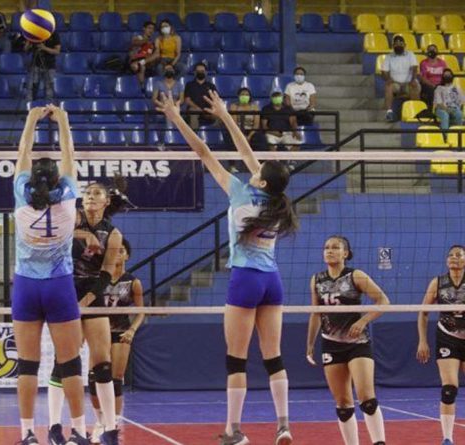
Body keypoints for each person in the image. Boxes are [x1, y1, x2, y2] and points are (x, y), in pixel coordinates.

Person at [158, 89, 299, 445]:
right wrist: (225, 115)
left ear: (261, 180)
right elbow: (250, 156)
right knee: (274, 357)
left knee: (236, 360)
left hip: (245, 280)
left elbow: (204, 153)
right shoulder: (281, 202)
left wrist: (177, 119)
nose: (255, 165)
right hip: (272, 281)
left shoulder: (240, 190)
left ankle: (234, 431)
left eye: (260, 169)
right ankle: (283, 425)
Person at [12, 105, 91, 445]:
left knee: (28, 365)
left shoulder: (20, 193)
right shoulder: (70, 195)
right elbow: (69, 152)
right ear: (58, 179)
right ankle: (78, 432)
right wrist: (63, 119)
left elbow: (22, 151)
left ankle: (28, 433)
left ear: (31, 179)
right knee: (70, 363)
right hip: (59, 286)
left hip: (26, 287)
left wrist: (30, 120)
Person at [47, 178, 130, 445]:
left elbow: (107, 273)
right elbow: (51, 233)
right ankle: (54, 427)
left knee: (102, 364)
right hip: (63, 288)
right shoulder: (71, 218)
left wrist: (88, 300)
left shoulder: (114, 234)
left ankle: (108, 428)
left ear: (106, 201)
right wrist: (85, 234)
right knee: (64, 362)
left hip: (92, 294)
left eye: (96, 193)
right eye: (87, 193)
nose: (90, 196)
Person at [306, 235, 390, 445]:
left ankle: (379, 442)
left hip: (357, 344)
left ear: (346, 253)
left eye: (335, 247)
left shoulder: (356, 276)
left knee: (367, 399)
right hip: (330, 343)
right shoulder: (317, 279)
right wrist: (309, 344)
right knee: (343, 404)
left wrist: (363, 321)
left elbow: (383, 301)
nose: (329, 251)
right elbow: (316, 313)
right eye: (326, 247)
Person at [88, 238, 144, 441]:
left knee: (116, 379)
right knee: (94, 377)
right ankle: (99, 421)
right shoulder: (99, 279)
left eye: (122, 251)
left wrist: (132, 330)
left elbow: (141, 312)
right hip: (97, 331)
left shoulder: (133, 282)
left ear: (127, 255)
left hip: (120, 331)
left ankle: (114, 423)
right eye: (115, 251)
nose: (118, 254)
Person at [417, 245, 465, 445]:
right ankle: (447, 438)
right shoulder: (437, 283)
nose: (454, 258)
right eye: (451, 255)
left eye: (459, 255)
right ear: (447, 261)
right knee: (449, 388)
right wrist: (422, 340)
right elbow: (423, 312)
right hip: (447, 337)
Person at [381, 35, 420, 122]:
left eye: (400, 44)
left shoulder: (410, 54)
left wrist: (413, 79)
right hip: (396, 84)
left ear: (404, 45)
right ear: (393, 45)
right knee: (388, 86)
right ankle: (389, 112)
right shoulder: (389, 57)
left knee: (415, 85)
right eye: (396, 44)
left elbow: (414, 68)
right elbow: (384, 72)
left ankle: (416, 112)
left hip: (408, 82)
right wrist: (388, 79)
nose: (398, 45)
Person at [262, 91, 302, 169]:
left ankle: (289, 161)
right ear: (271, 99)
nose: (277, 99)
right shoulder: (266, 109)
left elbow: (293, 122)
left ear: (282, 98)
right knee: (271, 143)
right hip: (272, 133)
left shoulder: (288, 108)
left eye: (278, 97)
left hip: (286, 133)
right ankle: (276, 164)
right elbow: (264, 126)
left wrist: (295, 131)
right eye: (275, 97)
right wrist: (273, 132)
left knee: (297, 142)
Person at [25, 31, 61, 101]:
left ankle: (48, 108)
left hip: (49, 66)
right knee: (32, 87)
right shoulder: (34, 33)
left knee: (49, 89)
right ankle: (30, 107)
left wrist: (44, 48)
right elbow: (26, 50)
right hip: (36, 65)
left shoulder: (54, 34)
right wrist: (29, 40)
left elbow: (57, 51)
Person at [185, 62, 218, 128]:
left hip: (208, 110)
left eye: (202, 71)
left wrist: (211, 109)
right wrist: (197, 108)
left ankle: (214, 135)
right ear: (195, 73)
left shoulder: (211, 86)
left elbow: (215, 99)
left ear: (206, 72)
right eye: (198, 71)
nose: (200, 72)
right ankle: (194, 136)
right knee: (193, 111)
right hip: (195, 109)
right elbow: (187, 100)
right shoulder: (189, 85)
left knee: (220, 113)